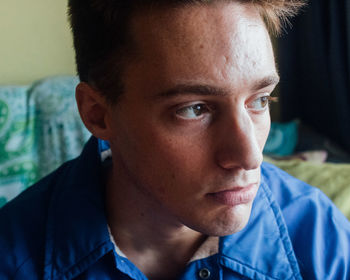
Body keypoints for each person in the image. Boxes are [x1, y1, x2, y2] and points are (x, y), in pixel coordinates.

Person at [1, 0, 349, 279]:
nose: (249, 157)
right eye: (194, 109)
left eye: (259, 100)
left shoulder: (320, 237)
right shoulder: (13, 258)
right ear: (97, 114)